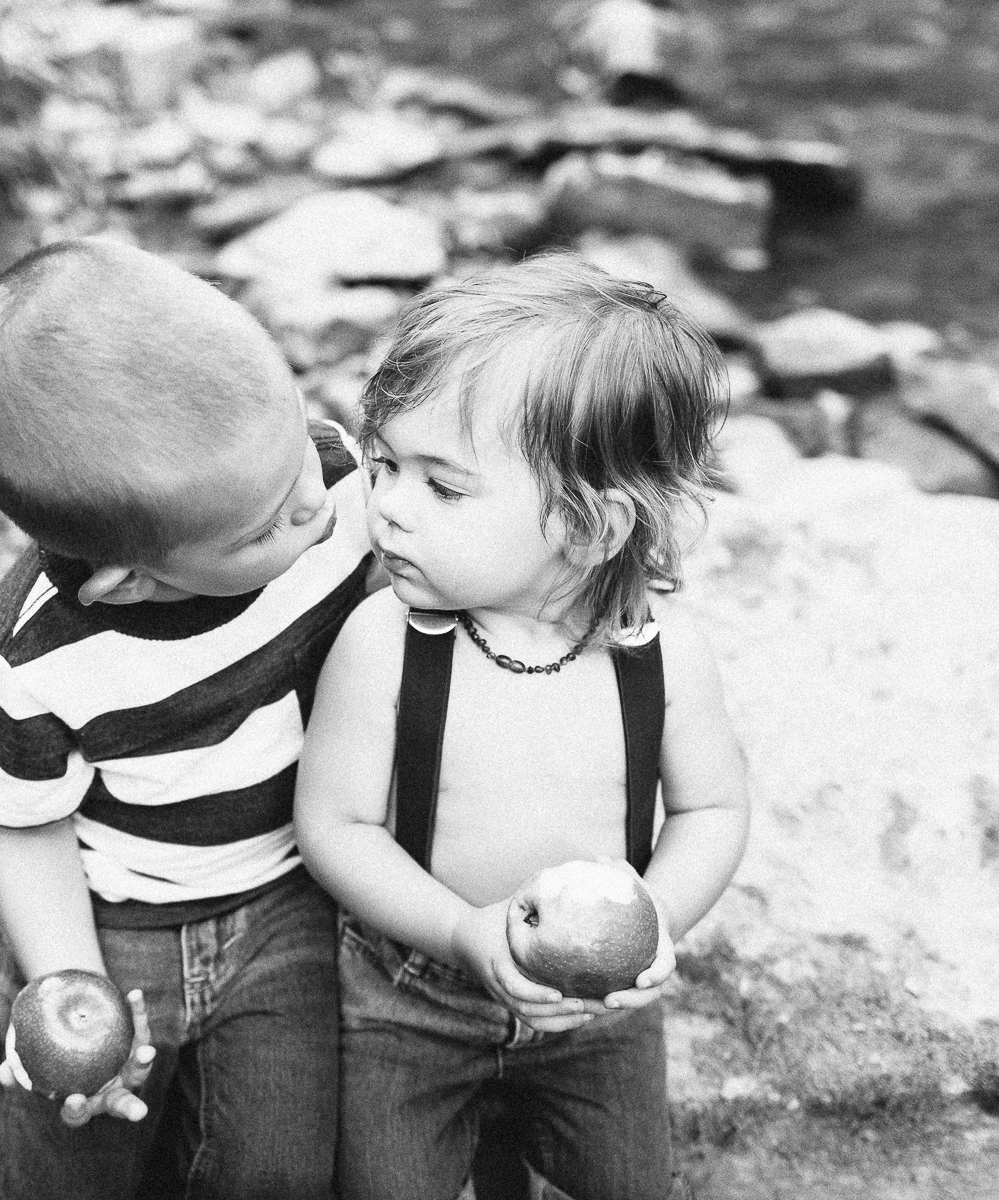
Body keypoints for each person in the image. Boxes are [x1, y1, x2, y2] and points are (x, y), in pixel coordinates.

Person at [295, 251, 750, 1200]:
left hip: (599, 1019)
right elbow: (335, 827)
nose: (386, 507)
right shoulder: (387, 645)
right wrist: (463, 933)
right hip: (410, 999)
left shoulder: (658, 659)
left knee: (627, 1187)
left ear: (589, 531)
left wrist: (658, 917)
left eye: (443, 487)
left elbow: (710, 811)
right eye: (384, 466)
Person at [0, 237, 375, 1200]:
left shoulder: (336, 488)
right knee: (79, 1153)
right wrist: (68, 985)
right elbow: (26, 828)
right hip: (120, 925)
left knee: (277, 1169)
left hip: (287, 908)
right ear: (128, 580)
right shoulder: (33, 657)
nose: (313, 503)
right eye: (263, 527)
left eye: (302, 438)